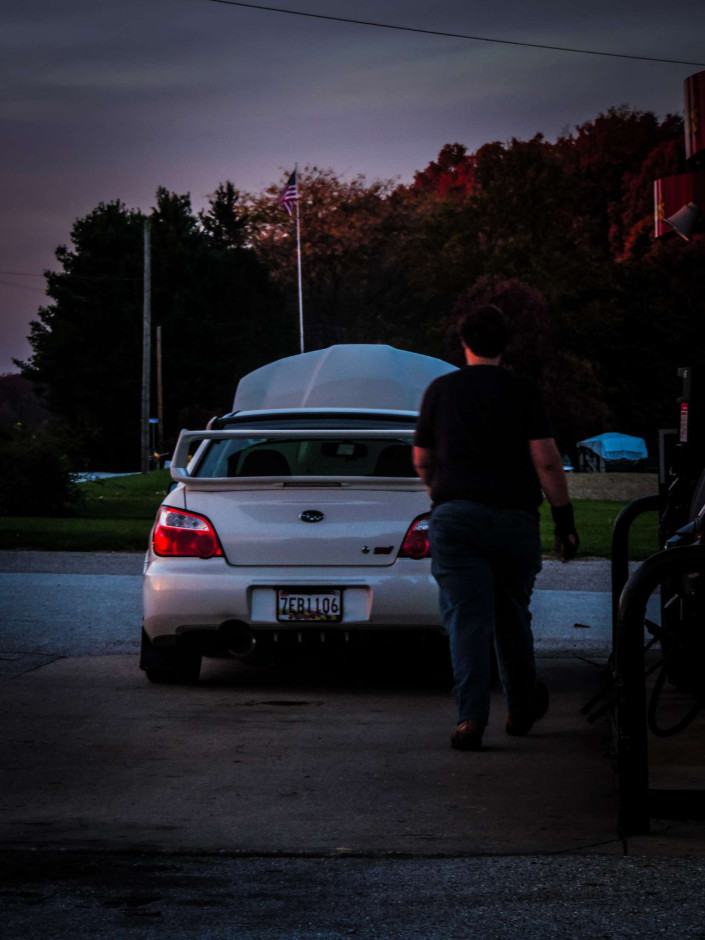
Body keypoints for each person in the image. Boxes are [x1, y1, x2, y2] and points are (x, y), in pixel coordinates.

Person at [413, 303, 578, 751]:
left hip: (455, 517)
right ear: (505, 345)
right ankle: (522, 705)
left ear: (464, 343)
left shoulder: (440, 391)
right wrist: (565, 521)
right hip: (513, 519)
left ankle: (470, 719)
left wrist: (439, 495)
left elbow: (422, 459)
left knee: (466, 619)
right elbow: (545, 458)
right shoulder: (522, 392)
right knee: (511, 616)